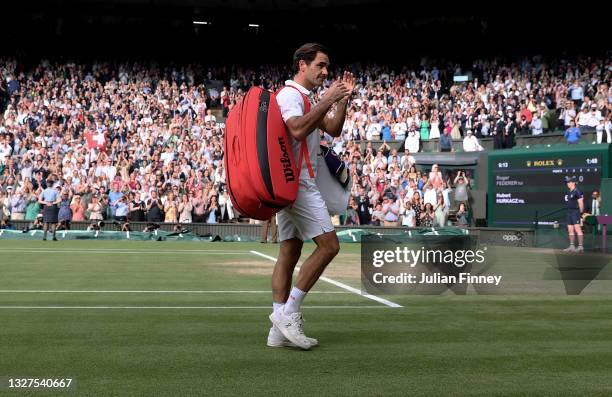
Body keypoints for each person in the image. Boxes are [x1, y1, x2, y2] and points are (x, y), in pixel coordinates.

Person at [268, 43, 352, 350]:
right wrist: (328, 98)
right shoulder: (291, 95)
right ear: (302, 65)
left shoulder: (307, 97)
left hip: (292, 182)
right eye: (321, 65)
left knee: (289, 252)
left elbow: (333, 128)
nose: (326, 71)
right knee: (329, 246)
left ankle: (277, 331)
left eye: (327, 66)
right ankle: (288, 312)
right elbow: (297, 129)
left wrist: (340, 100)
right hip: (298, 183)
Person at [563, 176, 585, 252]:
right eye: (567, 182)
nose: (567, 184)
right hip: (569, 212)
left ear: (573, 183)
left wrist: (581, 213)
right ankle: (572, 246)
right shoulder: (569, 192)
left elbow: (581, 203)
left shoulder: (577, 191)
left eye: (568, 182)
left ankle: (580, 246)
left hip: (576, 212)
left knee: (577, 229)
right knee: (570, 229)